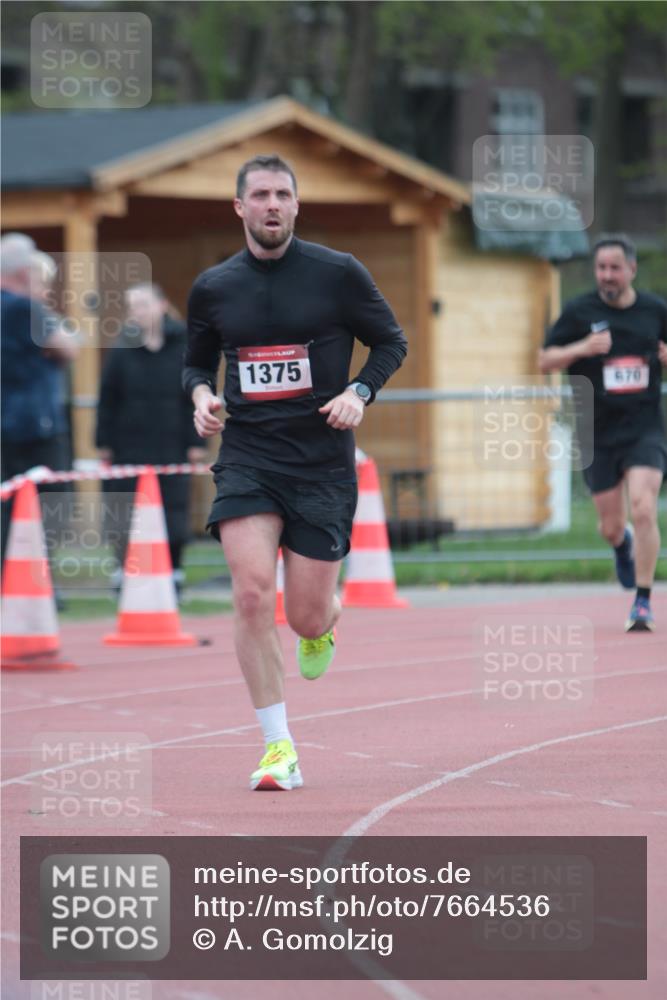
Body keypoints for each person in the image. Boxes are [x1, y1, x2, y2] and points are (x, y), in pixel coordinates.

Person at [184, 154, 407, 791]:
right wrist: (203, 399)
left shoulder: (338, 273)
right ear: (240, 207)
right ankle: (278, 746)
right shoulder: (214, 286)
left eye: (283, 193)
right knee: (252, 592)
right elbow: (195, 364)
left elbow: (391, 341)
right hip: (249, 457)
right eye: (260, 195)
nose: (272, 204)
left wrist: (359, 392)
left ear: (297, 205)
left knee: (306, 616)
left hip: (321, 466)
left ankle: (322, 625)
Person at [539, 233, 667, 632]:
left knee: (644, 507)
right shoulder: (579, 312)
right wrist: (582, 348)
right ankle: (621, 544)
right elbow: (544, 360)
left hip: (645, 427)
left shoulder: (655, 310)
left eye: (614, 268)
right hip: (595, 431)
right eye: (601, 269)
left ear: (631, 269)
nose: (607, 276)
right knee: (611, 526)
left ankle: (643, 601)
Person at [95, 283, 207, 595]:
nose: (138, 312)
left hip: (172, 440)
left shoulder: (185, 344)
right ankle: (124, 568)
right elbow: (108, 397)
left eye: (143, 305)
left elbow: (193, 395)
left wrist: (197, 442)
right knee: (126, 507)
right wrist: (103, 440)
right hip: (128, 442)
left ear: (161, 305)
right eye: (133, 307)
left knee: (174, 507)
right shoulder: (122, 348)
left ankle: (174, 571)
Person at [1, 234, 78, 569]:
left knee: (6, 507)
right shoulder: (24, 308)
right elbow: (68, 347)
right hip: (37, 425)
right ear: (22, 274)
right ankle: (35, 578)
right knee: (49, 507)